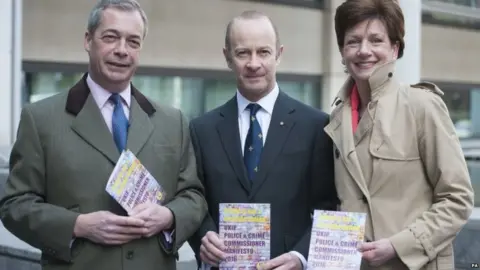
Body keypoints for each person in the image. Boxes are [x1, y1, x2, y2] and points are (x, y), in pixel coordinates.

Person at [0, 0, 207, 269]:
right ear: (88, 40)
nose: (122, 50)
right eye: (111, 37)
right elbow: (15, 205)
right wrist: (78, 225)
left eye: (133, 42)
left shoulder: (173, 121)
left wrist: (168, 216)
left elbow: (193, 196)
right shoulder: (40, 119)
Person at [325, 0, 475, 269]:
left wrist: (399, 245)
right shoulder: (335, 118)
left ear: (394, 48)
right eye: (353, 41)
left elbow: (457, 199)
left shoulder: (422, 106)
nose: (364, 51)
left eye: (376, 40)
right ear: (342, 50)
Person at [186, 10, 339, 270]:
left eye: (264, 52)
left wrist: (301, 258)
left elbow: (328, 209)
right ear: (227, 57)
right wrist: (203, 236)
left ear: (279, 54)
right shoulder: (202, 129)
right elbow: (193, 200)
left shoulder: (315, 126)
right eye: (243, 52)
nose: (253, 63)